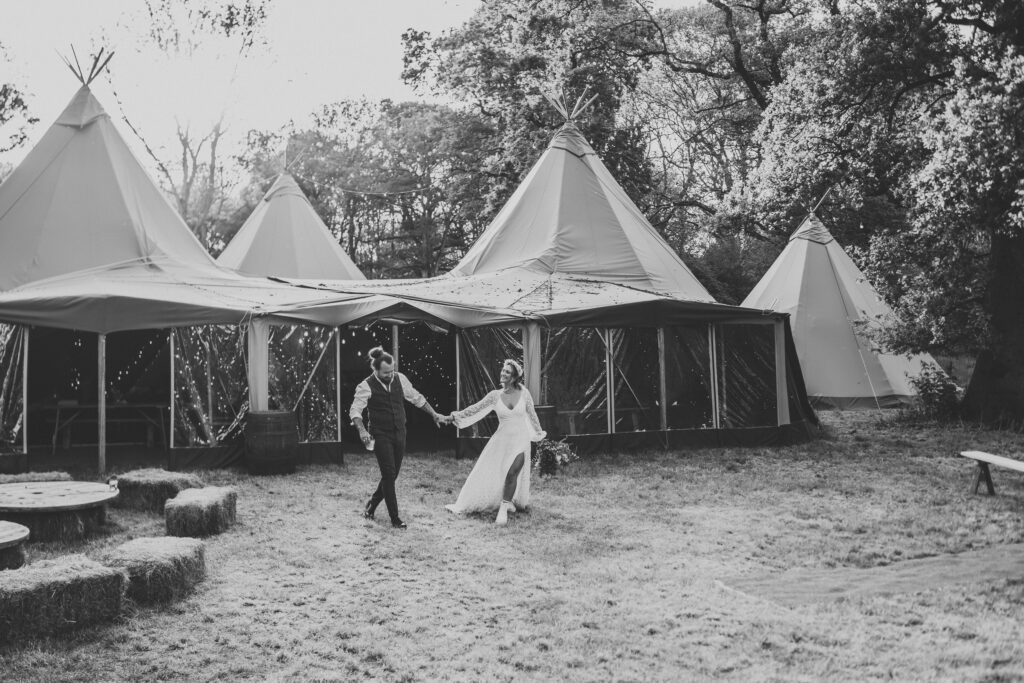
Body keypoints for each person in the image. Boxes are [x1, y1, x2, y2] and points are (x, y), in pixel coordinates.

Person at [441, 359, 545, 525]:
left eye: (507, 372)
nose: (503, 373)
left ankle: (503, 509)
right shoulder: (495, 396)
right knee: (495, 472)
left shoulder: (524, 393)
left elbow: (532, 414)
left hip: (521, 440)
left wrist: (540, 434)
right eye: (503, 370)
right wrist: (454, 416)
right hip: (501, 441)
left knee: (513, 473)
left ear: (515, 377)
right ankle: (506, 501)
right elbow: (475, 408)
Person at [350, 346, 443, 529]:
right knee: (388, 473)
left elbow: (416, 398)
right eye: (386, 373)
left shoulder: (400, 378)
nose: (390, 375)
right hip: (380, 433)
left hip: (400, 432)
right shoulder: (365, 385)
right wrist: (362, 430)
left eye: (392, 370)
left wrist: (433, 414)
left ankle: (371, 505)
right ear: (375, 370)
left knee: (392, 475)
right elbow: (355, 410)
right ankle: (395, 519)